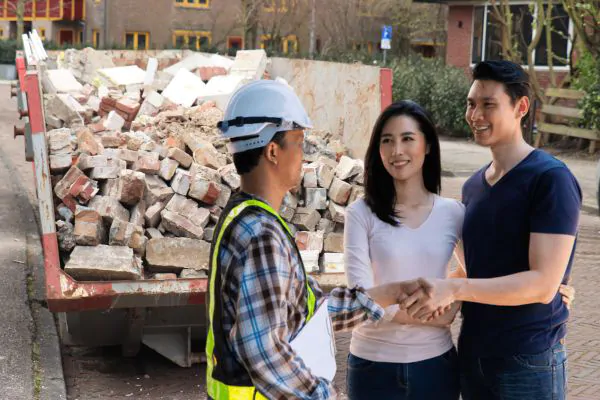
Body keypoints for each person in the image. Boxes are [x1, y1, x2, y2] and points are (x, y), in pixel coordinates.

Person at [204, 80, 431, 400]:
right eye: (298, 143)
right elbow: (265, 352)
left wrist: (387, 294)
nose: (303, 155)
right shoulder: (261, 236)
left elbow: (303, 312)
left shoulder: (245, 217)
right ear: (272, 151)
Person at [400, 60, 582, 400]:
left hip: (527, 359)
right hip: (474, 354)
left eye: (488, 104)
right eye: (471, 103)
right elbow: (475, 267)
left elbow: (543, 285)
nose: (475, 115)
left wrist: (454, 290)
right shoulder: (473, 187)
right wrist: (440, 291)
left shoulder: (550, 179)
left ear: (521, 107)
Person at [344, 100, 463, 400]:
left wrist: (454, 294)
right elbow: (361, 298)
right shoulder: (361, 213)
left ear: (428, 146)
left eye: (407, 138)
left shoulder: (453, 213)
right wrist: (436, 316)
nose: (397, 151)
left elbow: (477, 272)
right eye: (387, 141)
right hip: (372, 367)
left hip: (435, 365)